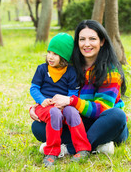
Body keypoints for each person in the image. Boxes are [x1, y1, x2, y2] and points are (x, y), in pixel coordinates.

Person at [30, 20, 129, 159]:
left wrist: (72, 101)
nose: (86, 44)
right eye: (82, 39)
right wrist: (41, 105)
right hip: (77, 123)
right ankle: (98, 146)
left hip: (104, 123)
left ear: (102, 41)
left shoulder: (110, 71)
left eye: (92, 39)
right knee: (38, 127)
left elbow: (102, 109)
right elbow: (55, 94)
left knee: (117, 116)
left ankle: (68, 148)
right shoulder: (70, 68)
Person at [30, 33, 91, 167]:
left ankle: (82, 148)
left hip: (63, 105)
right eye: (49, 52)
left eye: (55, 54)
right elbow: (34, 88)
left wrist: (65, 103)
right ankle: (52, 152)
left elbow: (73, 93)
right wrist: (41, 100)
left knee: (72, 112)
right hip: (45, 106)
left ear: (64, 57)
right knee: (54, 113)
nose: (50, 57)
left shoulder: (71, 72)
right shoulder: (42, 69)